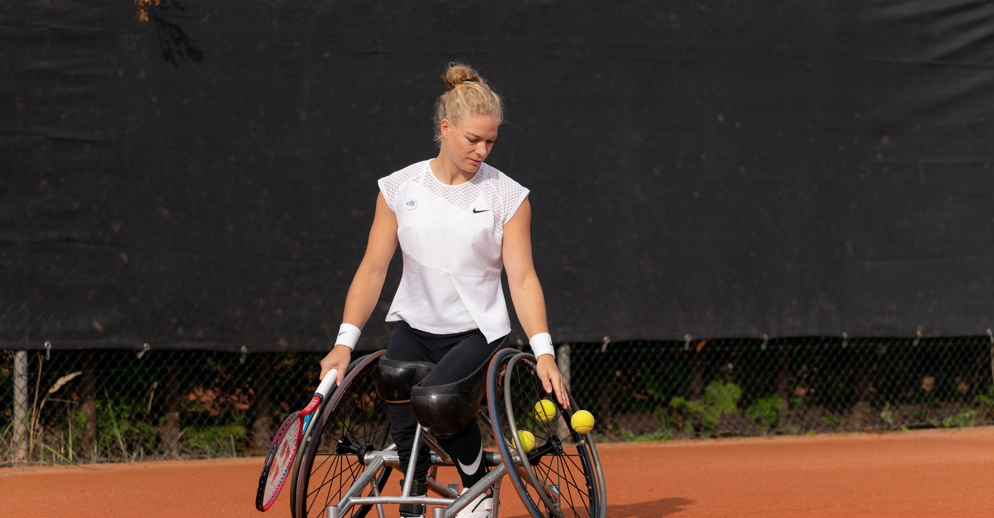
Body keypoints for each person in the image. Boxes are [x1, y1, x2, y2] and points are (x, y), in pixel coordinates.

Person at [319, 62, 566, 518]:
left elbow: (523, 278)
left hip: (478, 333)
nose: (482, 150)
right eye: (473, 139)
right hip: (415, 326)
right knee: (394, 379)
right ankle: (412, 490)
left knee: (439, 401)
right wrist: (343, 343)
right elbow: (373, 269)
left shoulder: (508, 197)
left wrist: (544, 350)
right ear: (445, 128)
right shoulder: (399, 187)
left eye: (491, 141)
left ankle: (476, 490)